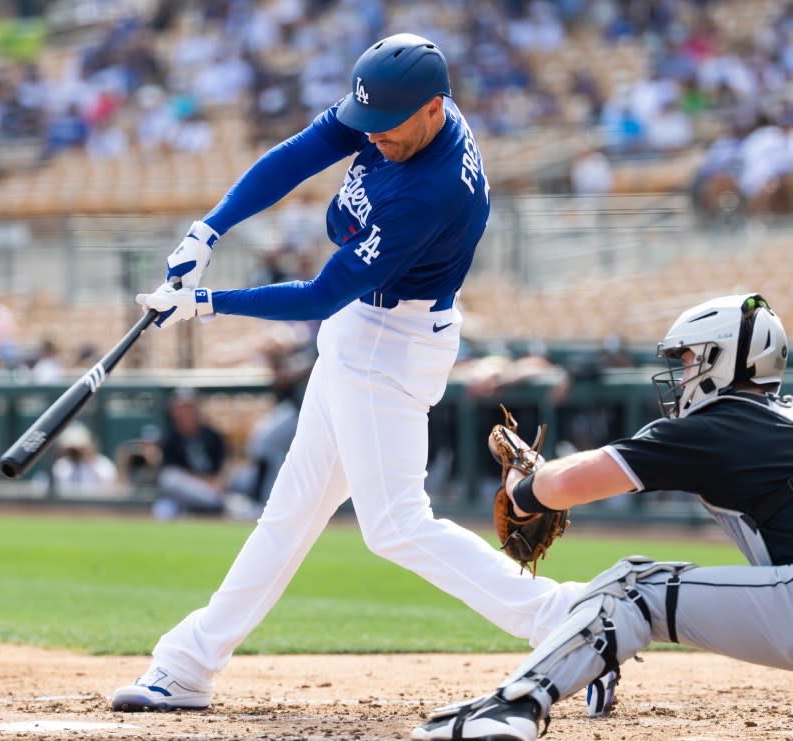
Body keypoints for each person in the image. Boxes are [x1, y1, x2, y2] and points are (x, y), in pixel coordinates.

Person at [113, 34, 584, 712]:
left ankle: (567, 620)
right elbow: (301, 152)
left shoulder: (431, 192)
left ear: (433, 109)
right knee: (291, 512)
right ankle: (188, 661)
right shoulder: (394, 109)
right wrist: (207, 232)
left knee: (393, 522)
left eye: (388, 128)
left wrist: (206, 303)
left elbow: (319, 295)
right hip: (364, 332)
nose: (373, 138)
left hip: (390, 342)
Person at [412, 293, 793, 741]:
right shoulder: (775, 418)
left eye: (691, 359)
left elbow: (566, 485)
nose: (684, 373)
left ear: (724, 358)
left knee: (633, 587)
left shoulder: (716, 427)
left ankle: (513, 708)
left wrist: (520, 489)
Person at [151, 388, 230, 520]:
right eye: (181, 408)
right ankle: (212, 506)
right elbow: (172, 473)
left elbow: (222, 468)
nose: (185, 412)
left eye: (188, 407)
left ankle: (207, 507)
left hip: (214, 488)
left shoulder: (212, 436)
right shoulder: (170, 440)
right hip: (187, 494)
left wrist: (218, 482)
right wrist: (205, 483)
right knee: (166, 490)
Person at [50, 423, 118, 499]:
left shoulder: (103, 464)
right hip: (68, 507)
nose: (76, 452)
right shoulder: (62, 465)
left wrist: (88, 458)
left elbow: (108, 490)